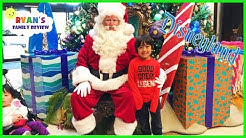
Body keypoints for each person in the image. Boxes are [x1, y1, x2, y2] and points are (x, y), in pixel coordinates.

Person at [71, 3, 165, 135]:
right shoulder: (91, 38)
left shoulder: (129, 40)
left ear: (120, 21)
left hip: (120, 80)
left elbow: (141, 59)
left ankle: (123, 131)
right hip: (95, 80)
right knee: (77, 97)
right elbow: (82, 59)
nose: (111, 24)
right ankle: (87, 131)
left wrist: (158, 71)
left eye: (114, 20)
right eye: (107, 20)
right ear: (102, 21)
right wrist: (83, 80)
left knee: (130, 98)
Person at [128, 35, 166, 135]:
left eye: (147, 46)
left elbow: (158, 83)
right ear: (137, 49)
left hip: (153, 98)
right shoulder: (133, 63)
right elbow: (131, 81)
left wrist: (154, 100)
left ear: (152, 48)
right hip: (139, 99)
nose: (144, 50)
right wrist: (138, 98)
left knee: (157, 123)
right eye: (140, 47)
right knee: (144, 124)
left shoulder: (156, 64)